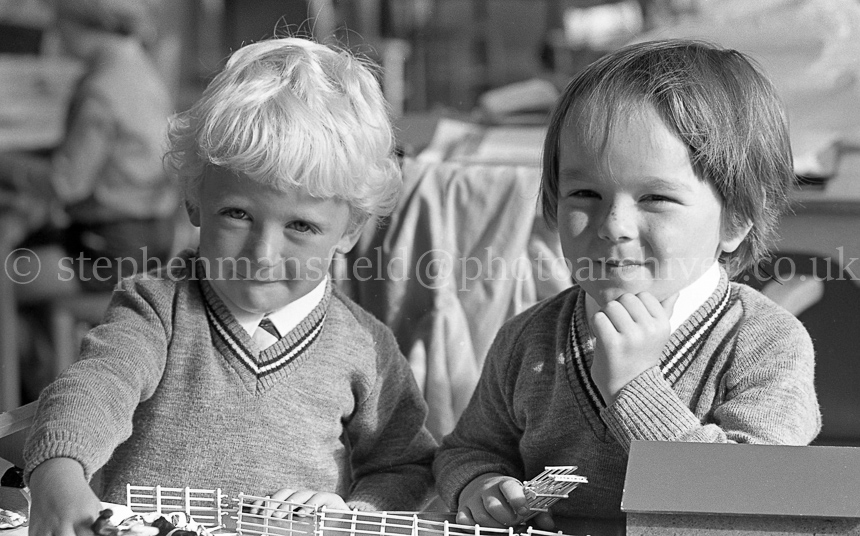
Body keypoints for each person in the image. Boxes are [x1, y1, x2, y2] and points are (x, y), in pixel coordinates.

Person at [23, 36, 437, 536]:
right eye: (237, 214)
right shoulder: (156, 308)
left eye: (300, 227)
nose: (262, 254)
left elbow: (406, 465)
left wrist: (352, 513)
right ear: (195, 200)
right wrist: (59, 474)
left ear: (349, 230)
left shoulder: (367, 348)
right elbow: (96, 388)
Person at [432, 39, 821, 527]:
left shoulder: (766, 343)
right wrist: (481, 484)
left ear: (736, 220)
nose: (613, 223)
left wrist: (634, 386)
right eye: (584, 193)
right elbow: (468, 448)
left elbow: (749, 498)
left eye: (655, 197)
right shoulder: (527, 338)